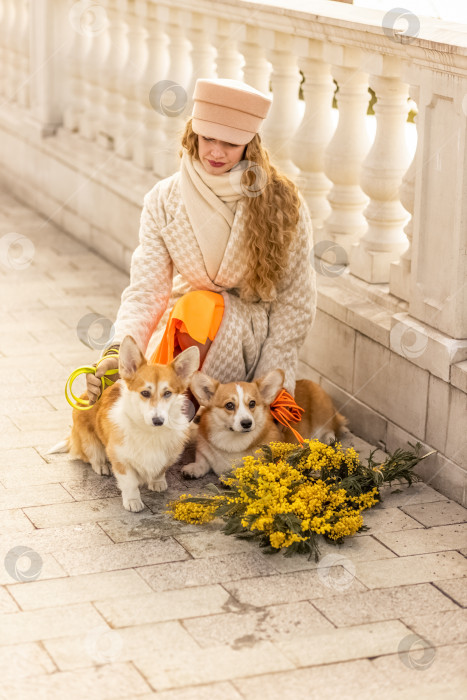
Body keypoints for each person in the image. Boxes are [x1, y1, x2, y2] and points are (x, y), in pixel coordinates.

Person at [86, 78, 317, 406]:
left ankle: (177, 420)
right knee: (119, 397)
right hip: (182, 329)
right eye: (208, 138)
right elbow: (146, 291)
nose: (217, 152)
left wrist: (270, 387)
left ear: (250, 144)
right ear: (193, 133)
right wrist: (114, 351)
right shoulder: (163, 199)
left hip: (249, 338)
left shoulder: (283, 203)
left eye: (231, 143)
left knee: (203, 305)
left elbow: (295, 303)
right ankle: (172, 416)